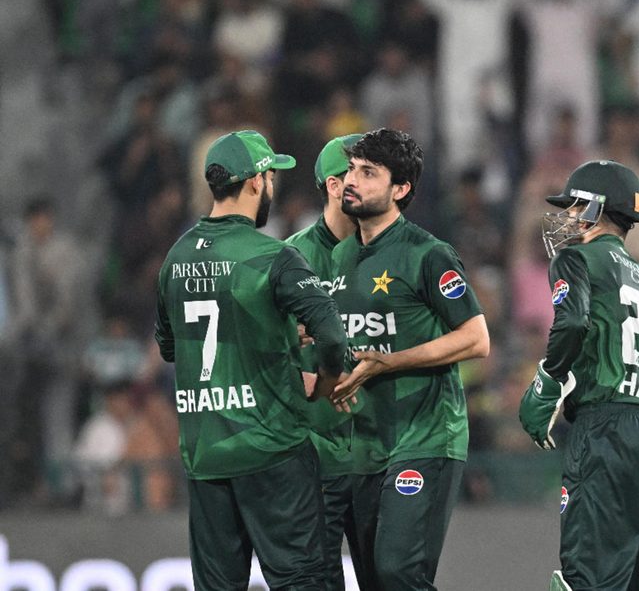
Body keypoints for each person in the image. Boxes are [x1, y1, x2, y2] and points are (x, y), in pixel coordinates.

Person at [154, 130, 349, 590]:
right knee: (303, 580)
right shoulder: (273, 257)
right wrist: (318, 385)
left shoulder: (174, 258)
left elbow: (171, 347)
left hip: (207, 455)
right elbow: (334, 339)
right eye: (272, 176)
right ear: (257, 181)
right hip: (272, 448)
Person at [326, 128, 490, 589]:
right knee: (377, 581)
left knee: (400, 572)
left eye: (369, 173)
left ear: (400, 190)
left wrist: (390, 362)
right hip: (364, 444)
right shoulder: (339, 258)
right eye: (352, 169)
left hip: (425, 435)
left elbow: (476, 338)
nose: (352, 181)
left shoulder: (428, 254)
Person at [519, 159, 639, 590]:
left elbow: (571, 323)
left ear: (594, 207)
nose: (567, 217)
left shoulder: (577, 259)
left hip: (609, 429)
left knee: (588, 578)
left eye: (574, 207)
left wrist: (546, 385)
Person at [284, 133, 378, 590]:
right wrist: (294, 376)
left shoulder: (393, 251)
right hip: (316, 456)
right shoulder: (290, 258)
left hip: (377, 454)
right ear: (334, 186)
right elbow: (251, 350)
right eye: (362, 174)